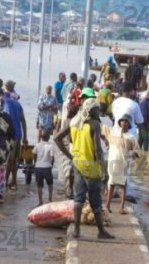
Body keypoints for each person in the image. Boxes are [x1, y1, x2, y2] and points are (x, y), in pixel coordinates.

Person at [54, 98, 114, 239]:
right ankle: (101, 231)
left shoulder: (74, 122)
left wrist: (70, 155)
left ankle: (76, 230)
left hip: (78, 165)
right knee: (96, 200)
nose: (98, 112)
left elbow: (57, 138)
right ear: (91, 110)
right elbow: (98, 150)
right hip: (92, 167)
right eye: (97, 109)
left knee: (79, 199)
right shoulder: (94, 124)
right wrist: (104, 172)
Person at [102, 114, 140, 214]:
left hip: (123, 163)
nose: (124, 123)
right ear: (119, 123)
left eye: (126, 122)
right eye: (122, 121)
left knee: (123, 185)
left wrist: (133, 156)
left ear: (129, 124)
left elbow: (137, 150)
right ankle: (108, 205)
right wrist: (105, 140)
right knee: (112, 184)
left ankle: (121, 207)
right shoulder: (113, 132)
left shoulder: (131, 137)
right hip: (113, 162)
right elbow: (102, 130)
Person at [3, 85, 27, 191]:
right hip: (18, 135)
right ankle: (14, 182)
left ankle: (5, 182)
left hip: (10, 135)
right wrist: (25, 136)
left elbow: (4, 120)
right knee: (14, 160)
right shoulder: (18, 104)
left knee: (9, 160)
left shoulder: (5, 104)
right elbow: (23, 120)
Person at [33, 132, 54, 206]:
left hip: (38, 167)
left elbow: (34, 155)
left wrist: (35, 162)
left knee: (39, 185)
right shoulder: (50, 146)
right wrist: (51, 164)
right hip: (47, 167)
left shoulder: (37, 145)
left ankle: (40, 201)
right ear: (48, 138)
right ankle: (50, 199)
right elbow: (52, 157)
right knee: (50, 184)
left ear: (41, 137)